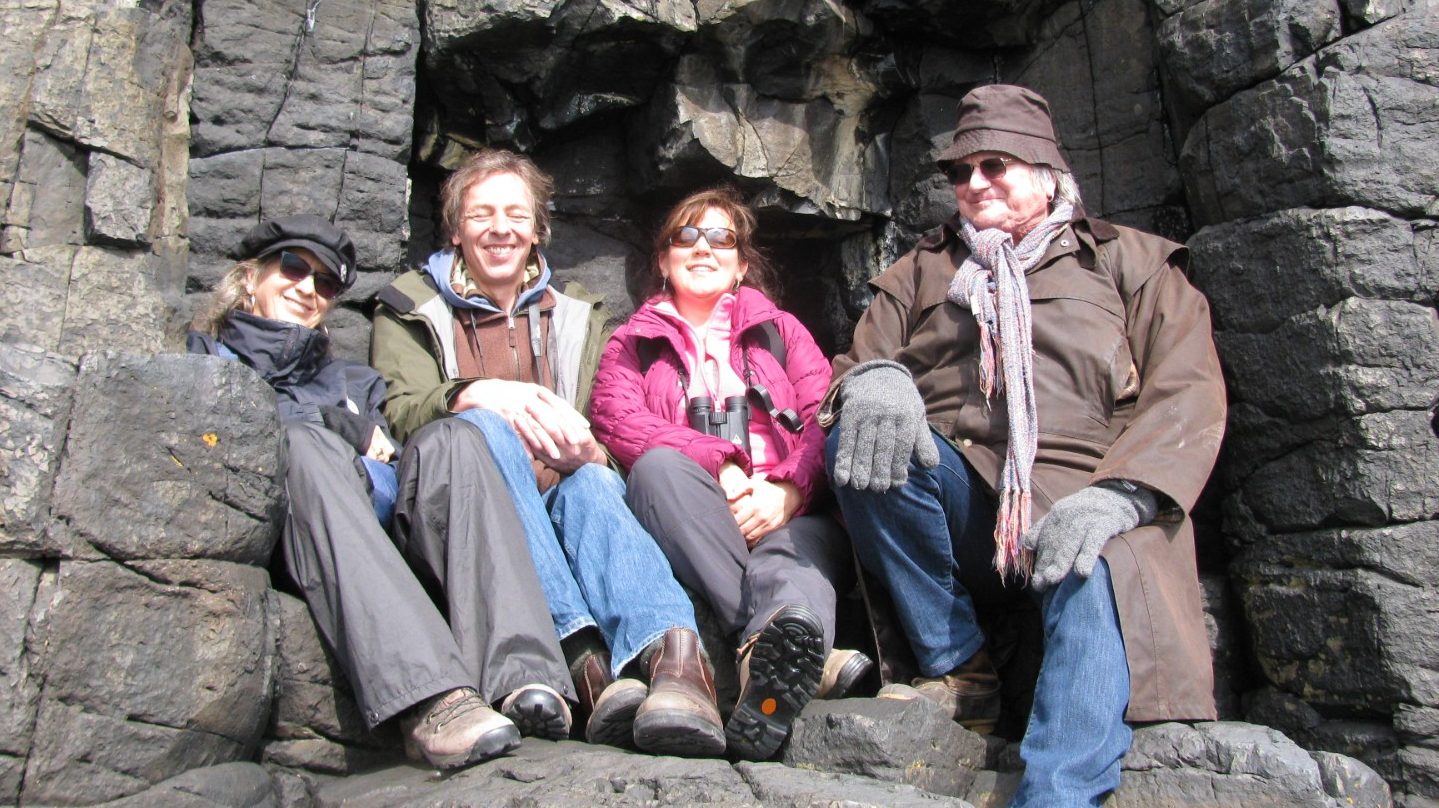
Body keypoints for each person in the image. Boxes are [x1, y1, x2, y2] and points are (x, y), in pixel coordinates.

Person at [821, 84, 1226, 806]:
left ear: (1045, 171)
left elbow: (1187, 391)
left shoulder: (1130, 263)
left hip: (1088, 492)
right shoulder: (920, 270)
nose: (971, 184)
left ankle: (1057, 795)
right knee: (868, 431)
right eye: (958, 171)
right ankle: (958, 664)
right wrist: (876, 381)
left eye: (993, 165)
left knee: (1091, 557)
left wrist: (1122, 495)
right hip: (962, 502)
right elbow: (853, 369)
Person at [370, 149, 727, 756]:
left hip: (564, 495)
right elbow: (400, 410)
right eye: (481, 214)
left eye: (516, 213)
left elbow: (614, 420)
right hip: (461, 508)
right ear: (455, 229)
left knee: (590, 484)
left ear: (539, 228)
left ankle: (677, 665)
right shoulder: (409, 306)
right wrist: (475, 394)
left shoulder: (580, 312)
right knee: (484, 432)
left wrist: (593, 454)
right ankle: (582, 658)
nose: (500, 228)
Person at [188, 215, 575, 771]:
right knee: (303, 445)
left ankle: (524, 675)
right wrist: (337, 429)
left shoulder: (354, 381)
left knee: (455, 438)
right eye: (294, 268)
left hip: (379, 524)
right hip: (301, 528)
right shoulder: (205, 361)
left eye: (324, 283)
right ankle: (431, 699)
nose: (307, 288)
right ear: (251, 277)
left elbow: (393, 459)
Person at [589, 187, 874, 760]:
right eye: (685, 236)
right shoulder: (631, 343)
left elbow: (828, 416)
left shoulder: (782, 331)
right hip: (693, 514)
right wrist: (719, 465)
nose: (703, 248)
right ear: (664, 260)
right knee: (657, 468)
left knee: (789, 553)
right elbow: (617, 419)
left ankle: (763, 657)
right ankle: (789, 654)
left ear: (743, 263)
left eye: (722, 237)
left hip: (790, 512)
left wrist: (789, 490)